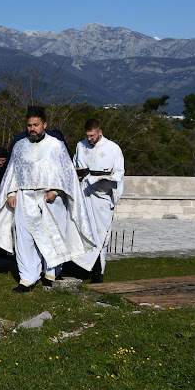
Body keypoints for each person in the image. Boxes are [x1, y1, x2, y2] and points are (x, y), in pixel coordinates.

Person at [0, 106, 96, 292]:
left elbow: (66, 174)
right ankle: (27, 278)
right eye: (29, 125)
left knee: (51, 235)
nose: (32, 129)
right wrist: (11, 193)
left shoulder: (56, 145)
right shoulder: (20, 146)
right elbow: (12, 172)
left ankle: (51, 273)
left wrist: (55, 191)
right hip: (24, 197)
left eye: (36, 125)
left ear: (44, 124)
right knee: (24, 238)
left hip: (49, 198)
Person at [73, 118, 125, 283]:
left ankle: (98, 271)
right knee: (83, 232)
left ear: (99, 132)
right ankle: (85, 268)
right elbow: (74, 167)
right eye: (87, 136)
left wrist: (101, 178)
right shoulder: (81, 146)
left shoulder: (113, 149)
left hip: (102, 198)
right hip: (84, 196)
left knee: (101, 235)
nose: (89, 139)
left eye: (92, 136)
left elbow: (118, 174)